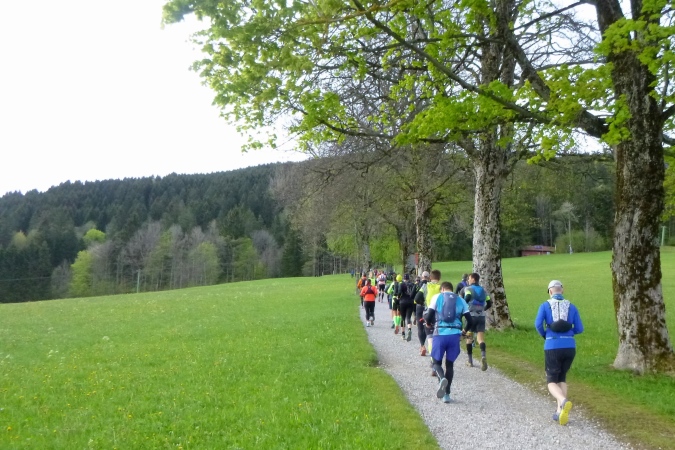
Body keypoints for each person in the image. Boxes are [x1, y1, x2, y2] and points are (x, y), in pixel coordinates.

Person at [535, 280, 584, 426]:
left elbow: (538, 324)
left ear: (550, 292)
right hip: (570, 346)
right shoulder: (572, 306)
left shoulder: (544, 305)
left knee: (551, 380)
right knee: (562, 377)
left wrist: (545, 334)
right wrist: (569, 332)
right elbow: (580, 328)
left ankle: (563, 401)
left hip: (552, 345)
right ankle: (559, 412)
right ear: (562, 290)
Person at [424, 281, 472, 403]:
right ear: (451, 289)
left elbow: (429, 316)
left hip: (440, 334)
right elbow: (470, 321)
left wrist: (428, 323)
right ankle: (447, 394)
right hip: (455, 335)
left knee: (436, 362)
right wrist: (464, 331)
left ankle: (441, 378)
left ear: (442, 289)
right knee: (450, 365)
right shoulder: (461, 300)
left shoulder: (437, 297)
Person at [462, 273, 492, 371]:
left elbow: (467, 298)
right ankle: (483, 356)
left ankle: (470, 361)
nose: (468, 280)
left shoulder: (468, 289)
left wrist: (463, 307)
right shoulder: (483, 290)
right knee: (480, 339)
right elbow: (489, 303)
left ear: (473, 279)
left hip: (471, 316)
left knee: (469, 338)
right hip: (481, 316)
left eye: (469, 278)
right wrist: (483, 309)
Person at [414, 271, 430, 355]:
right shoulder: (430, 285)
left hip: (419, 306)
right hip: (428, 307)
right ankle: (428, 344)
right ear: (428, 277)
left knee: (420, 327)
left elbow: (413, 296)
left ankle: (422, 346)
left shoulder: (418, 284)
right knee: (426, 326)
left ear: (422, 276)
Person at [397, 273, 416, 341]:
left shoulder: (401, 284)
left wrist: (398, 297)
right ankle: (409, 329)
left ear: (403, 278)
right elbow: (414, 293)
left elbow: (399, 293)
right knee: (408, 317)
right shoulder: (412, 284)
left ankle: (403, 334)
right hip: (410, 302)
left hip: (402, 302)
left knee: (403, 318)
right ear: (409, 278)